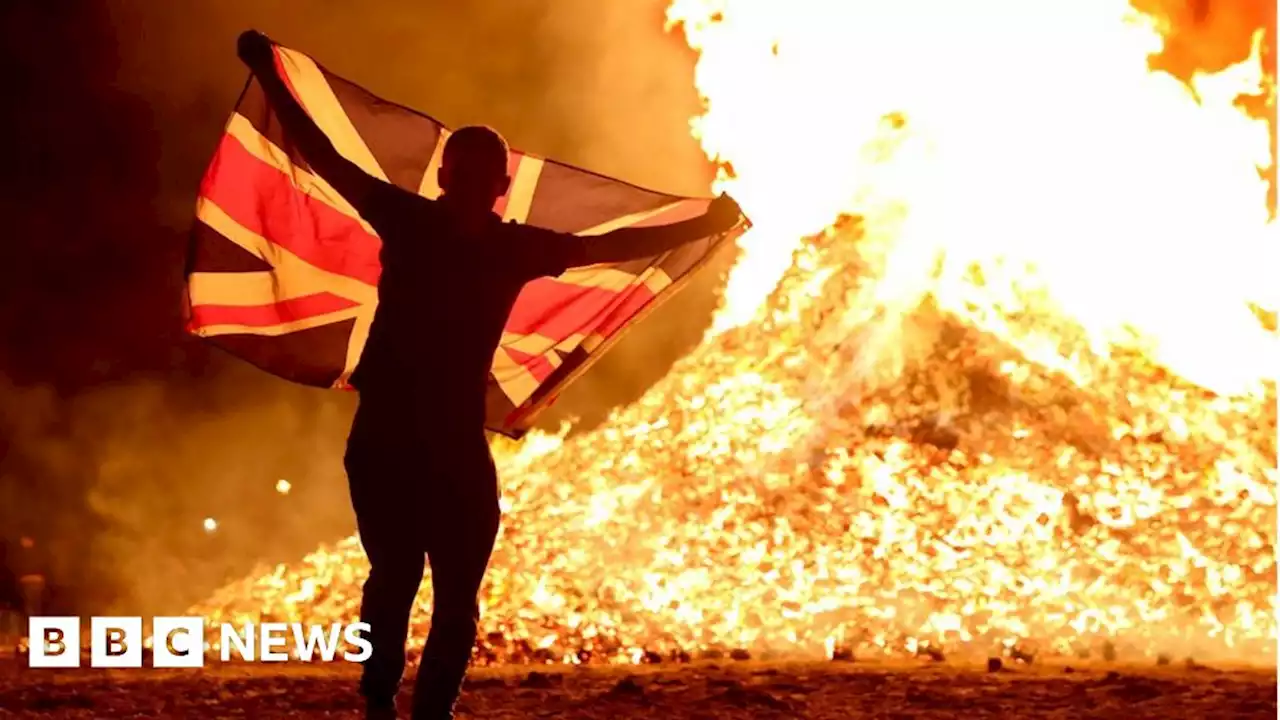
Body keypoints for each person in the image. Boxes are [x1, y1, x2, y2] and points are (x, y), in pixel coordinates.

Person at [237, 30, 743, 720]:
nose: (475, 185)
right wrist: (703, 222)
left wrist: (268, 76)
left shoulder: (431, 226)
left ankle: (387, 704)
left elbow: (325, 156)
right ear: (488, 184)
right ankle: (403, 707)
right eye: (475, 175)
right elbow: (611, 246)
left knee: (405, 581)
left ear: (453, 178)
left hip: (403, 438)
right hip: (422, 440)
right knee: (431, 588)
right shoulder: (494, 243)